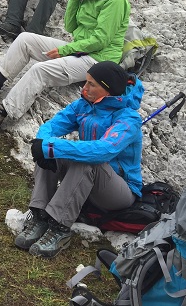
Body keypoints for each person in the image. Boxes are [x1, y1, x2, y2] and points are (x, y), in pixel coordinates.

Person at [0, 0, 130, 130]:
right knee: (25, 39)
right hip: (81, 50)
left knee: (40, 70)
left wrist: (65, 51)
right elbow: (70, 26)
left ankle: (3, 112)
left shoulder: (115, 0)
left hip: (98, 60)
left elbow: (101, 40)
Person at [14, 61, 143, 258]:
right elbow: (52, 126)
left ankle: (60, 228)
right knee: (49, 152)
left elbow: (104, 150)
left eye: (92, 84)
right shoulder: (83, 105)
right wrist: (44, 144)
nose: (85, 88)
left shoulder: (128, 119)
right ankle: (40, 215)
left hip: (119, 191)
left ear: (107, 90)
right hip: (87, 182)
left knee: (86, 160)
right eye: (86, 82)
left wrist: (51, 147)